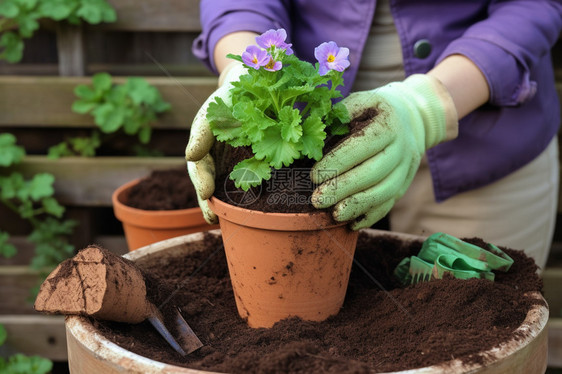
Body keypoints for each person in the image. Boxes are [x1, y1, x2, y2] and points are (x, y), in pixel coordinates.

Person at [185, 0, 562, 269]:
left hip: (480, 138)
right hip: (310, 160)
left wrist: (423, 109)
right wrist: (243, 80)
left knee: (468, 326)